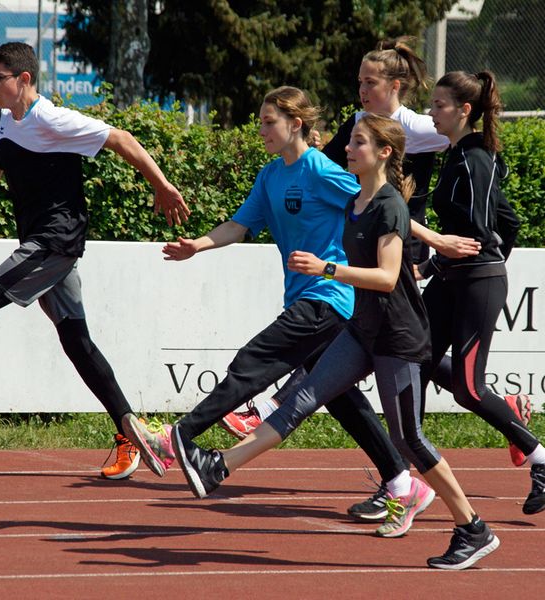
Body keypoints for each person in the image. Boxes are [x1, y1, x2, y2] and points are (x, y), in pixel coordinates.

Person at [172, 113, 501, 570]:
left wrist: (326, 269)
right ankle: (219, 467)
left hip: (396, 338)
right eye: (350, 142)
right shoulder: (355, 203)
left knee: (408, 438)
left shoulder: (388, 204)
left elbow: (387, 278)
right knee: (301, 398)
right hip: (361, 330)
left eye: (359, 143)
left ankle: (472, 527)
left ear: (384, 153)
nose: (348, 148)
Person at [221, 37, 531, 485]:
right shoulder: (359, 123)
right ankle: (406, 476)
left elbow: (473, 173)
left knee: (398, 350)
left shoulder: (421, 128)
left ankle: (289, 413)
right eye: (359, 81)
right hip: (388, 250)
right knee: (407, 354)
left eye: (370, 82)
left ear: (395, 85)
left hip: (406, 252)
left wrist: (448, 247)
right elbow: (328, 174)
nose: (362, 89)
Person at [139, 85, 436, 534]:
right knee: (339, 398)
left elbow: (379, 203)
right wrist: (197, 246)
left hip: (331, 299)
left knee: (254, 360)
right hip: (305, 297)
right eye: (260, 121)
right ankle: (401, 480)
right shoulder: (271, 176)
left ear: (295, 124)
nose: (261, 130)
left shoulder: (320, 169)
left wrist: (432, 240)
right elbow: (240, 225)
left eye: (268, 122)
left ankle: (179, 436)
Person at [0, 42, 186, 476]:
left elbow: (122, 139)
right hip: (45, 244)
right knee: (77, 341)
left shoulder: (52, 119)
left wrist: (162, 187)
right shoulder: (1, 122)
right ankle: (132, 433)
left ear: (23, 80)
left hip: (55, 242)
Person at [411, 70, 545, 515]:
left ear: (463, 111)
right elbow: (507, 224)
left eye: (439, 105)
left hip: (473, 283)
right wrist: (455, 261)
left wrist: (450, 263)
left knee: (468, 390)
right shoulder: (460, 156)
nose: (431, 111)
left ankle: (540, 457)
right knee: (414, 360)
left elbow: (478, 230)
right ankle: (406, 477)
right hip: (458, 278)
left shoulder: (475, 161)